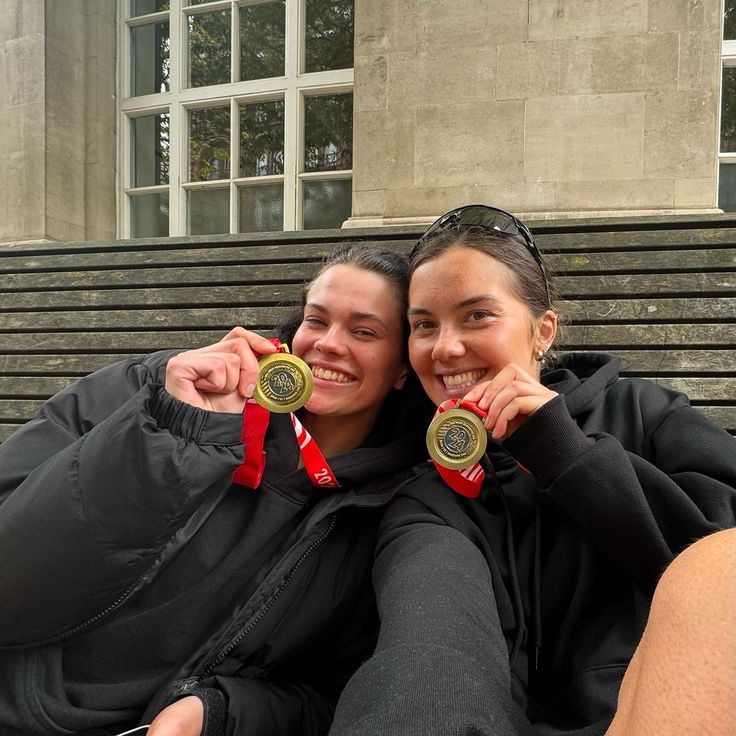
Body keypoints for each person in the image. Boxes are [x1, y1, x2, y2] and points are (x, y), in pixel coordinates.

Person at [328, 205, 736, 735]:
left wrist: (562, 450)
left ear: (543, 329)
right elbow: (430, 646)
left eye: (477, 315)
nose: (445, 348)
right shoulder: (431, 494)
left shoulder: (646, 414)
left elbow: (718, 565)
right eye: (423, 325)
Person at [0, 243, 434, 736]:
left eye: (364, 331)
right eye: (317, 320)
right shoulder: (156, 389)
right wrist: (175, 434)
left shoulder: (391, 506)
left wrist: (221, 713)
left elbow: (334, 693)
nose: (330, 344)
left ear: (403, 367)